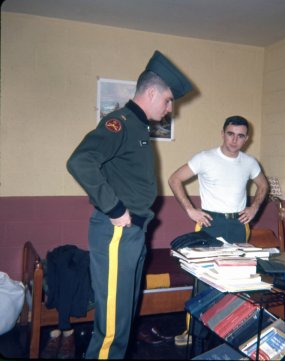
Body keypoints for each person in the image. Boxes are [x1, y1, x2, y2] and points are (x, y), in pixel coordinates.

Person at [67, 50, 193, 359]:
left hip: (134, 233)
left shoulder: (138, 127)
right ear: (151, 93)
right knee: (111, 328)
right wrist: (115, 209)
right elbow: (80, 162)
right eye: (167, 101)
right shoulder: (120, 123)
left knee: (123, 318)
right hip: (117, 233)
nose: (169, 109)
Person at [168, 115, 269, 354]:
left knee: (238, 280)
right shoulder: (205, 158)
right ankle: (195, 334)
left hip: (238, 226)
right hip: (209, 224)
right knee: (204, 282)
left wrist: (254, 207)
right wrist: (190, 210)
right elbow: (174, 179)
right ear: (223, 133)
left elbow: (263, 185)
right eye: (230, 134)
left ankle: (232, 330)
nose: (235, 140)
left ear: (247, 138)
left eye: (241, 136)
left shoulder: (250, 162)